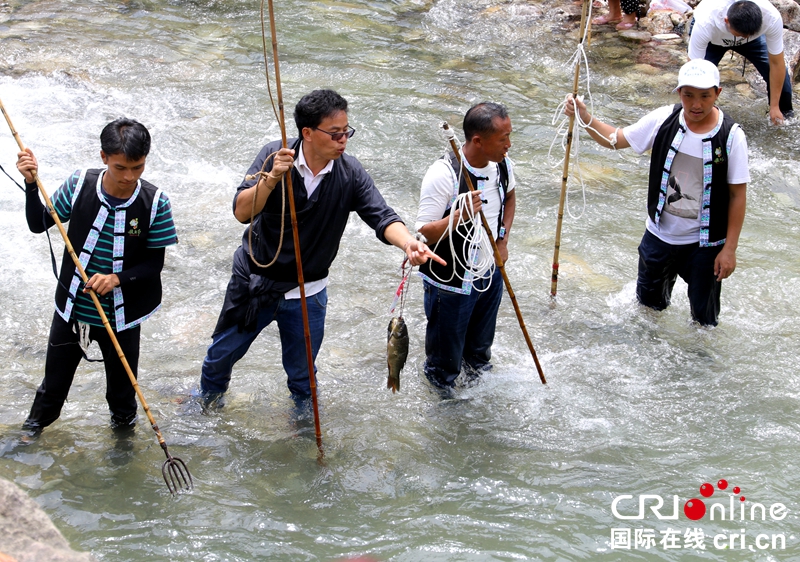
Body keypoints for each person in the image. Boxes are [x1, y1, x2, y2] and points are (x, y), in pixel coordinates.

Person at [199, 89, 442, 405]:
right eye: (335, 134)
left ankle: (301, 434)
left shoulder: (350, 173)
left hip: (307, 292)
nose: (343, 140)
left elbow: (382, 216)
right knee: (221, 354)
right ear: (307, 133)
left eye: (346, 133)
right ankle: (204, 405)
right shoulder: (275, 156)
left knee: (303, 376)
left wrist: (408, 243)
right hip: (254, 282)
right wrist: (272, 178)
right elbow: (241, 211)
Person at [16, 119, 178, 434]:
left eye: (138, 168)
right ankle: (26, 440)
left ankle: (122, 457)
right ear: (104, 157)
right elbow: (38, 223)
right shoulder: (79, 185)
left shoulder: (155, 203)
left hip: (123, 318)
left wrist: (116, 278)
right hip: (72, 311)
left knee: (122, 399)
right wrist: (32, 184)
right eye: (121, 168)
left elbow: (152, 267)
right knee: (51, 392)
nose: (129, 177)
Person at [565, 59, 749, 326]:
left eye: (705, 96)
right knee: (647, 312)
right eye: (688, 96)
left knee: (705, 322)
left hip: (705, 245)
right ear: (678, 93)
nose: (696, 104)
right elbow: (615, 139)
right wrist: (583, 116)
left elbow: (737, 195)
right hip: (659, 235)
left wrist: (729, 249)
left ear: (718, 93)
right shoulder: (664, 118)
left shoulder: (731, 136)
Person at [416, 102, 516, 390]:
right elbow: (424, 233)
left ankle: (478, 404)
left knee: (480, 354)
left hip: (489, 270)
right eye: (503, 138)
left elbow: (510, 199)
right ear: (477, 141)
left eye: (510, 136)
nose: (509, 144)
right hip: (450, 280)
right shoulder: (443, 174)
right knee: (444, 363)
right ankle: (444, 411)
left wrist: (503, 241)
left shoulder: (504, 165)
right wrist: (458, 216)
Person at [688, 0, 794, 125]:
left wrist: (775, 107)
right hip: (713, 41)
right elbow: (693, 71)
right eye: (741, 35)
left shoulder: (771, 17)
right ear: (726, 21)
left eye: (749, 35)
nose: (744, 38)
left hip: (752, 39)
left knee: (782, 79)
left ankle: (784, 117)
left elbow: (777, 63)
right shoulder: (706, 23)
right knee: (701, 78)